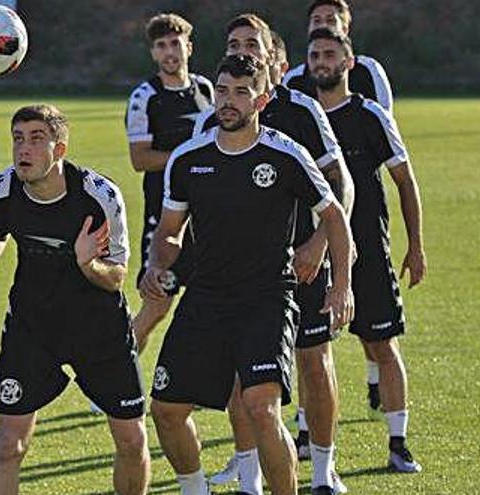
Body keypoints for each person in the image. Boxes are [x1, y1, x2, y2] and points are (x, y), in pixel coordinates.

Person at [142, 54, 354, 495]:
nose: (228, 101)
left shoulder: (284, 153)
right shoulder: (187, 159)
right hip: (206, 296)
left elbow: (334, 215)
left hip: (267, 297)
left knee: (261, 407)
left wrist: (341, 287)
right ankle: (195, 488)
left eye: (241, 92)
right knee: (165, 408)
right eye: (222, 91)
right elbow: (169, 232)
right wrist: (157, 264)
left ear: (263, 98)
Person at [201, 16, 353, 495]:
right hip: (237, 274)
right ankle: (249, 475)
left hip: (301, 265)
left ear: (272, 56)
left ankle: (324, 472)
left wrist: (318, 245)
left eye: (252, 43)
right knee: (239, 377)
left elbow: (341, 184)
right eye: (234, 43)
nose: (243, 49)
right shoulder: (215, 118)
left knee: (313, 361)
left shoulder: (301, 109)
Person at [0, 104, 150, 495]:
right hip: (33, 329)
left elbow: (117, 278)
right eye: (18, 139)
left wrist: (88, 263)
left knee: (132, 441)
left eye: (36, 139)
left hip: (99, 333)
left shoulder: (98, 197)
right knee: (9, 445)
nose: (23, 150)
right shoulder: (0, 191)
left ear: (60, 149)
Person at [308, 27, 426, 474]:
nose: (321, 61)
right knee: (312, 351)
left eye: (330, 54)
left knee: (382, 344)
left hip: (367, 250)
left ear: (348, 63)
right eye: (315, 54)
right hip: (314, 251)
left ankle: (398, 442)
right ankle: (308, 437)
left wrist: (416, 246)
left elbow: (404, 181)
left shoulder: (370, 114)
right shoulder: (301, 115)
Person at [125, 13, 214, 355]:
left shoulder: (206, 89)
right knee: (157, 304)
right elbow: (140, 159)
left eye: (175, 44)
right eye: (161, 46)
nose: (169, 52)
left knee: (210, 300)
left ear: (189, 47)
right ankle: (115, 371)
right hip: (164, 216)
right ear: (153, 54)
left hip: (205, 217)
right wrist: (187, 156)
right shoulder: (145, 97)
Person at [284, 0, 394, 116]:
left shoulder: (368, 70)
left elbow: (384, 117)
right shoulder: (294, 79)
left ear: (345, 29)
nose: (323, 25)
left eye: (330, 20)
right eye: (317, 21)